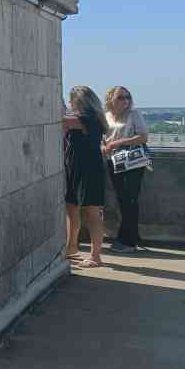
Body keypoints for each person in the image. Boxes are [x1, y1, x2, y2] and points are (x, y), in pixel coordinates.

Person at [64, 86, 109, 268]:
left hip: (88, 171)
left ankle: (95, 256)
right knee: (71, 208)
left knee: (92, 213)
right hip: (77, 169)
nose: (69, 103)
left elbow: (58, 120)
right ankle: (71, 247)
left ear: (79, 101)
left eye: (71, 100)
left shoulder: (87, 119)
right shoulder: (90, 119)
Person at [104, 86, 149, 253]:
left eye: (127, 97)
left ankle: (127, 241)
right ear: (111, 100)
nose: (126, 101)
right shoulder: (106, 116)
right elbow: (104, 137)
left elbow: (143, 137)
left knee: (130, 199)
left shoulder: (134, 114)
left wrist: (118, 143)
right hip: (113, 161)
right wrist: (104, 146)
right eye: (121, 97)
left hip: (133, 162)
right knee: (123, 199)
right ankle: (132, 236)